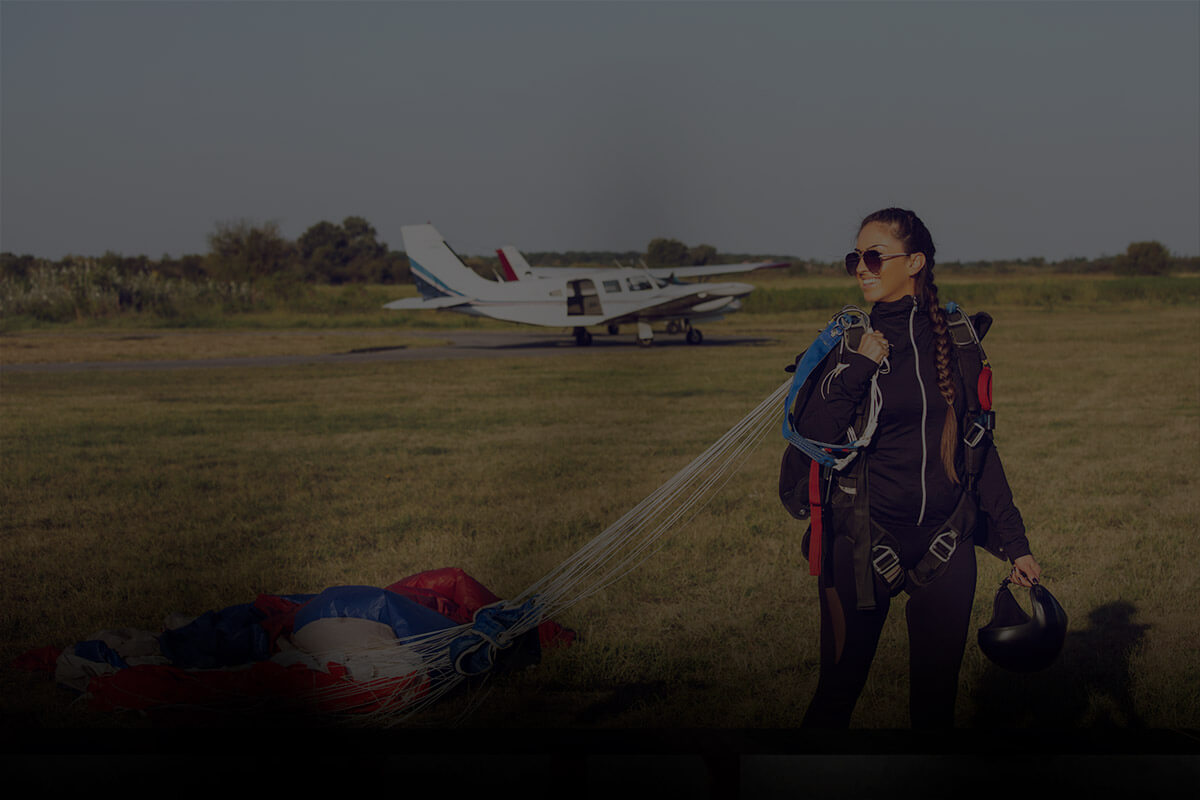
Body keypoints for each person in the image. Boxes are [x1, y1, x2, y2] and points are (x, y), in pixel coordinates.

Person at [789, 207, 1042, 728]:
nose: (862, 267)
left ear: (916, 262)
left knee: (935, 709)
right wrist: (860, 364)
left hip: (945, 543)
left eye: (874, 256)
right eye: (854, 257)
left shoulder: (958, 340)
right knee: (836, 697)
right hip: (861, 540)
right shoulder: (846, 341)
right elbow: (813, 434)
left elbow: (979, 448)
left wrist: (1014, 543)